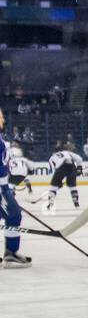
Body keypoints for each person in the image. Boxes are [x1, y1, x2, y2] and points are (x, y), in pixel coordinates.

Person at [0, 107, 31, 269]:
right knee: (13, 215)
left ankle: (10, 253)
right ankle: (11, 254)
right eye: (1, 117)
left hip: (3, 187)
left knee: (11, 215)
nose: (3, 119)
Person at [44, 146, 83, 212]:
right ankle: (76, 202)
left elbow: (54, 171)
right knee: (72, 186)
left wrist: (58, 182)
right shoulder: (67, 152)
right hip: (71, 166)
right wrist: (79, 168)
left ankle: (50, 203)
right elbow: (79, 159)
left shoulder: (51, 158)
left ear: (54, 152)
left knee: (54, 187)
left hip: (61, 167)